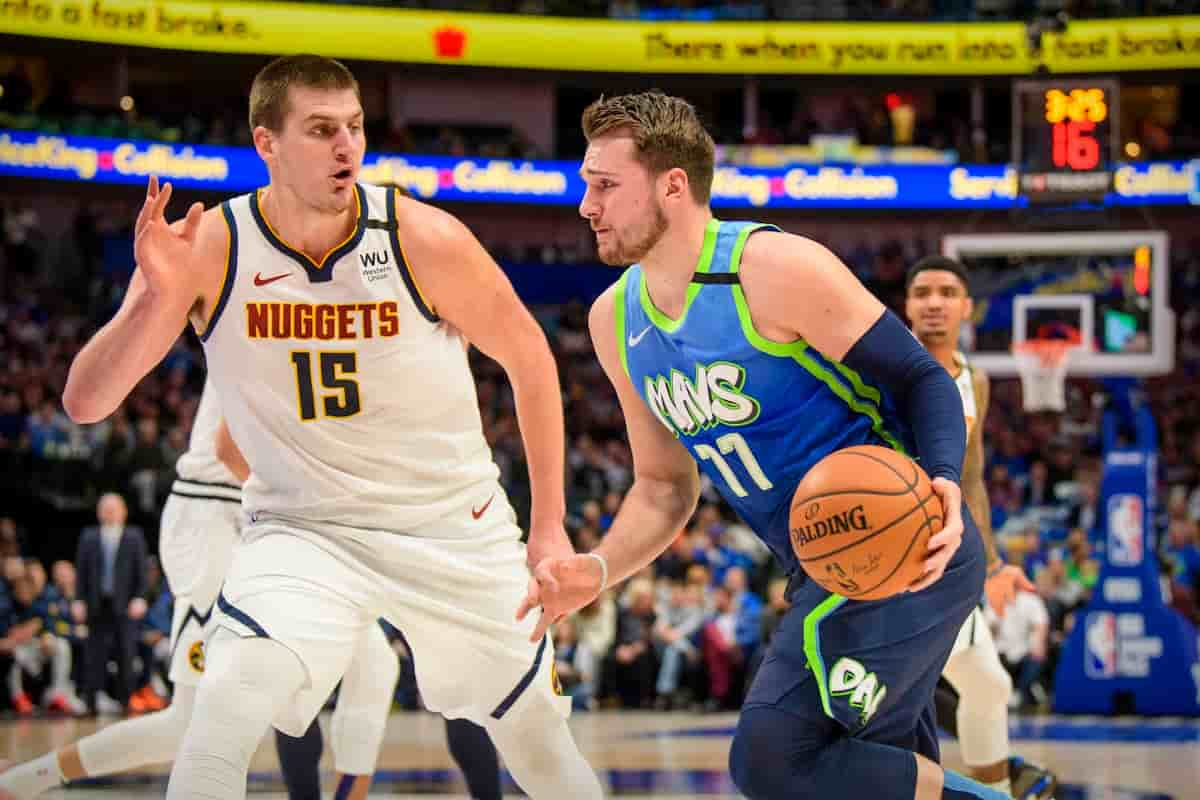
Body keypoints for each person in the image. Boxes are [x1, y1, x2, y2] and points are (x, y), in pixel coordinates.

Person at [60, 54, 600, 800]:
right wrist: (152, 298)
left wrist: (548, 528)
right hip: (304, 528)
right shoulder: (210, 248)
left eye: (354, 127)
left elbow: (532, 361)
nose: (347, 146)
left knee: (540, 749)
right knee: (222, 709)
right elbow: (86, 401)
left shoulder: (420, 237)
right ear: (267, 143)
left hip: (448, 526)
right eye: (320, 130)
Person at [521, 90, 1000, 800]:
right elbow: (663, 487)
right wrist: (599, 569)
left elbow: (921, 377)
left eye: (605, 185)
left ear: (672, 185)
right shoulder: (614, 320)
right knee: (874, 777)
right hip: (825, 563)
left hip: (903, 545)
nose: (586, 205)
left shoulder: (770, 267)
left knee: (776, 759)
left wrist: (943, 484)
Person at [1, 379, 496, 800]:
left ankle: (27, 780)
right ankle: (29, 779)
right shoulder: (277, 298)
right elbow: (229, 447)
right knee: (197, 720)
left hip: (277, 515)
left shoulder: (345, 309)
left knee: (375, 664)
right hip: (219, 514)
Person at [905, 255, 1058, 800]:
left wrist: (991, 564)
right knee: (918, 699)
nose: (933, 303)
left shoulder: (977, 379)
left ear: (967, 308)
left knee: (987, 685)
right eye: (922, 292)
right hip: (892, 555)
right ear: (907, 306)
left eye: (947, 292)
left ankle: (994, 790)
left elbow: (970, 480)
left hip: (947, 557)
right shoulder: (886, 367)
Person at [73, 493, 147, 714]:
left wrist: (140, 597)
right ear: (98, 512)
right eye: (105, 508)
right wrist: (78, 600)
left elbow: (141, 571)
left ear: (123, 511)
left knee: (126, 652)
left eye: (114, 508)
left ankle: (126, 701)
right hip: (96, 603)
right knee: (94, 654)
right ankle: (90, 701)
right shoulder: (89, 536)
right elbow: (82, 571)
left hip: (124, 604)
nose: (109, 512)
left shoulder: (134, 536)